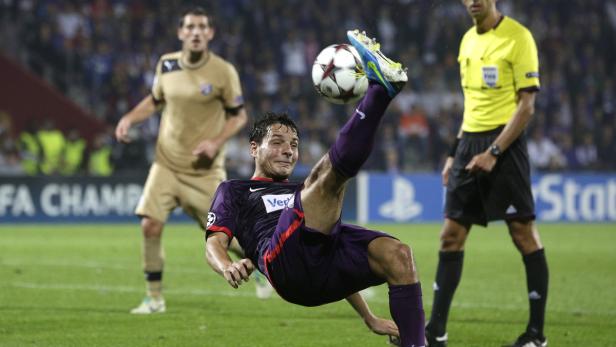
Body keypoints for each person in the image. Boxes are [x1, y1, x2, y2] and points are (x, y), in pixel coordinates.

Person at [205, 31, 426, 347]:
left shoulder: (303, 191)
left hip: (320, 269)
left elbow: (325, 243)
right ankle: (379, 93)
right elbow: (214, 242)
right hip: (283, 265)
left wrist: (369, 317)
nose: (288, 151)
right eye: (278, 142)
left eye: (293, 145)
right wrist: (227, 265)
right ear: (254, 149)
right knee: (325, 179)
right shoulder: (235, 190)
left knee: (398, 255)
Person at [424, 1, 548, 347]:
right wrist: (454, 152)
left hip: (504, 145)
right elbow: (471, 106)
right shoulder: (466, 41)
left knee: (523, 233)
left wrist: (494, 152)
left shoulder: (518, 37)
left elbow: (526, 106)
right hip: (468, 142)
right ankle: (436, 331)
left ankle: (536, 335)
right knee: (450, 236)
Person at [114, 7, 249, 314]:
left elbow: (239, 115)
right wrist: (129, 119)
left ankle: (260, 262)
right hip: (166, 164)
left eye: (202, 27)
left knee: (228, 238)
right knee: (149, 225)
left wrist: (215, 143)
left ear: (210, 33)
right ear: (181, 33)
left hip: (204, 171)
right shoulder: (167, 64)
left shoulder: (223, 71)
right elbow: (155, 100)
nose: (196, 32)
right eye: (190, 27)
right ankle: (154, 298)